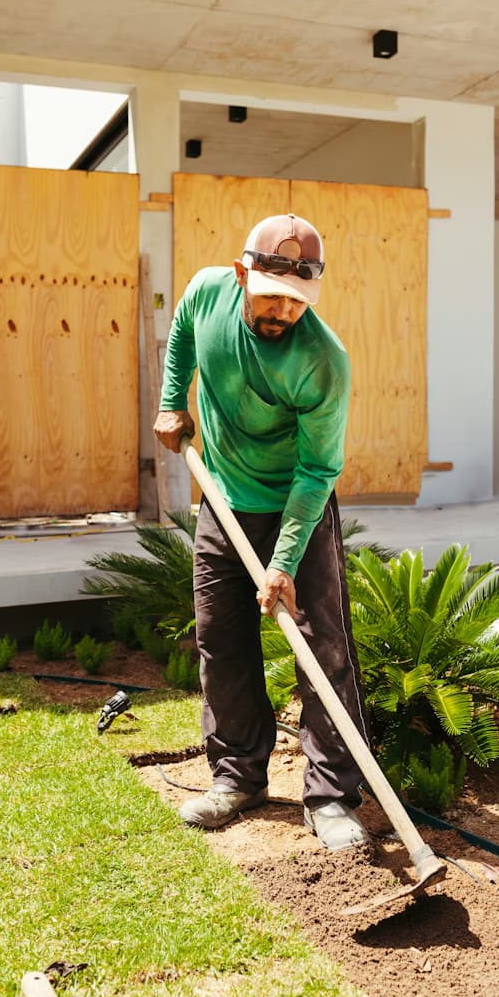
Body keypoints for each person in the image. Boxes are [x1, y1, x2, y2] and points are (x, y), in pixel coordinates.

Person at [154, 213, 370, 852]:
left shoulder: (323, 361)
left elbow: (316, 471)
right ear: (243, 273)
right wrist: (172, 401)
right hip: (222, 497)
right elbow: (183, 335)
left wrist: (283, 561)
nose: (282, 309)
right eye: (270, 293)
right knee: (221, 638)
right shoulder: (206, 291)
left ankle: (332, 799)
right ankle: (237, 776)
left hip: (295, 507)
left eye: (298, 300)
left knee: (322, 649)